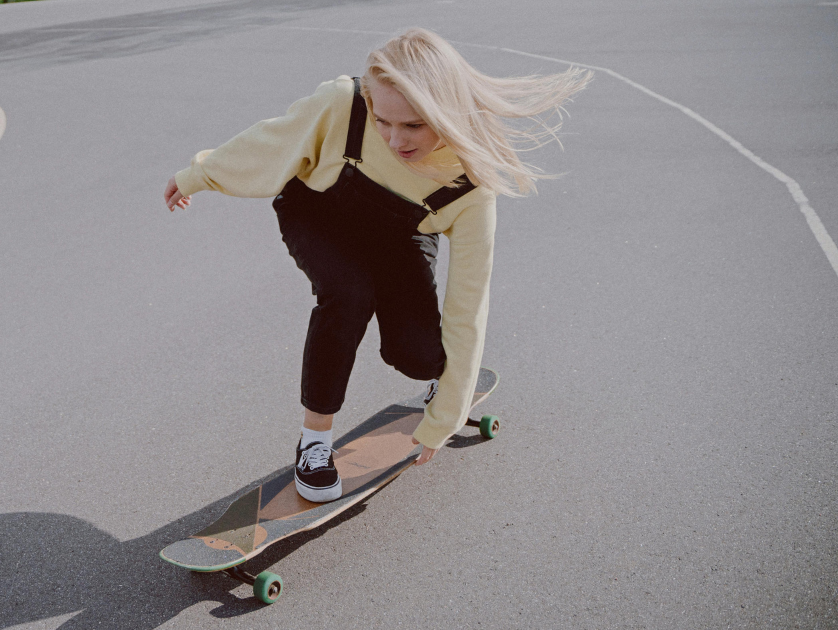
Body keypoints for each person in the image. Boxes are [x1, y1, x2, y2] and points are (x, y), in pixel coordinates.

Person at [163, 28, 590, 503]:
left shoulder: (470, 186)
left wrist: (445, 414)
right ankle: (314, 444)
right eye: (384, 121)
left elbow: (469, 303)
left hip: (397, 239)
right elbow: (270, 141)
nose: (394, 139)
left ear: (446, 111)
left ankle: (436, 380)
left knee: (419, 356)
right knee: (347, 294)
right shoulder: (343, 102)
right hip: (319, 213)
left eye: (414, 126)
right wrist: (198, 174)